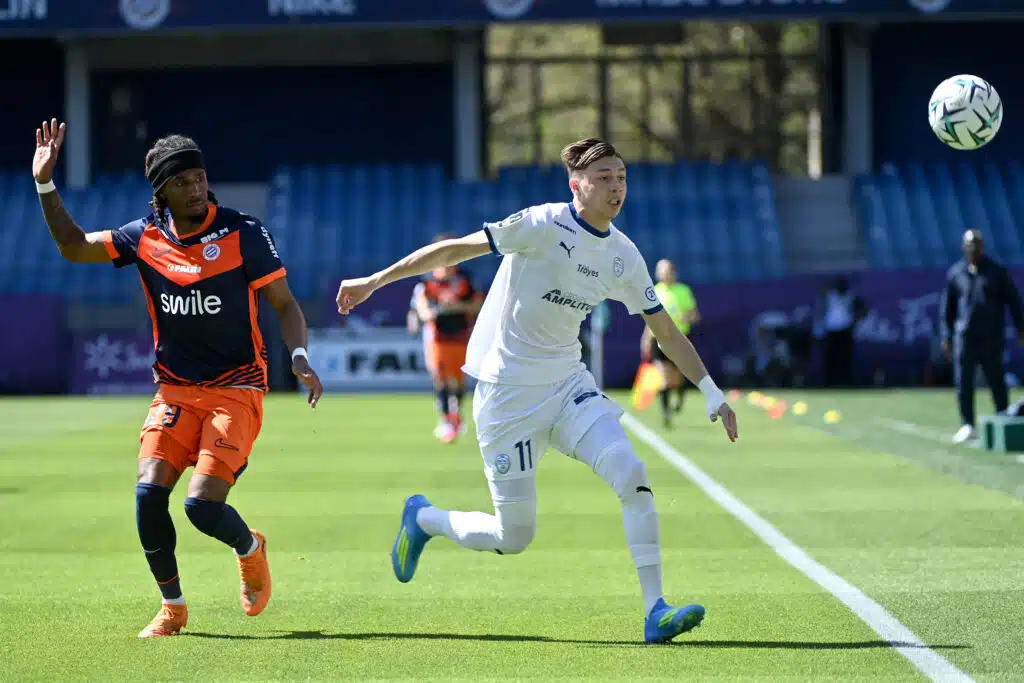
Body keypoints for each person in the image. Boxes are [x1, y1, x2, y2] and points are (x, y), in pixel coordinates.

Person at [336, 137, 738, 643]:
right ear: (577, 186)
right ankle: (425, 519)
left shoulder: (624, 256)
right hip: (506, 396)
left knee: (631, 473)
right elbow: (456, 248)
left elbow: (664, 329)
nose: (616, 187)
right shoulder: (541, 224)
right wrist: (376, 280)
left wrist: (710, 389)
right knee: (514, 536)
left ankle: (655, 610)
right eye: (604, 178)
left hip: (568, 385)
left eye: (622, 178)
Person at [32, 119, 324, 638]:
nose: (196, 189)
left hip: (236, 390)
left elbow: (284, 303)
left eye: (200, 178)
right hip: (174, 390)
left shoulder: (243, 232)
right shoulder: (141, 238)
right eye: (183, 182)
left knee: (202, 506)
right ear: (161, 191)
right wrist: (45, 184)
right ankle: (173, 608)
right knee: (148, 495)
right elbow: (74, 246)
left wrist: (299, 355)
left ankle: (250, 548)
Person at [940, 229, 1024, 444]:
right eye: (970, 244)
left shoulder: (996, 272)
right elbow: (947, 310)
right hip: (965, 337)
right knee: (964, 382)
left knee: (996, 380)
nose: (974, 248)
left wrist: (1020, 329)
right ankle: (967, 424)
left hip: (991, 336)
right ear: (964, 247)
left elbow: (1014, 302)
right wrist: (946, 336)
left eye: (977, 244)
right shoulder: (956, 274)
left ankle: (1004, 419)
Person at [414, 234, 483, 443]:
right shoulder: (427, 283)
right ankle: (446, 420)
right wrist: (437, 311)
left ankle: (456, 416)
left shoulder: (466, 281)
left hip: (461, 336)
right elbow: (423, 311)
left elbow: (479, 305)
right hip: (438, 337)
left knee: (458, 380)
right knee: (440, 378)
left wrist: (457, 307)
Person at [640, 259, 698, 427]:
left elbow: (694, 314)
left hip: (680, 338)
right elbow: (649, 319)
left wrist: (685, 318)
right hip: (658, 339)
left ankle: (679, 398)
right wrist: (645, 339)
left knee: (678, 378)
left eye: (667, 271)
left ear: (674, 272)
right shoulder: (654, 291)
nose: (664, 274)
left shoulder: (683, 290)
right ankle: (666, 414)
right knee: (664, 378)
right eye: (661, 271)